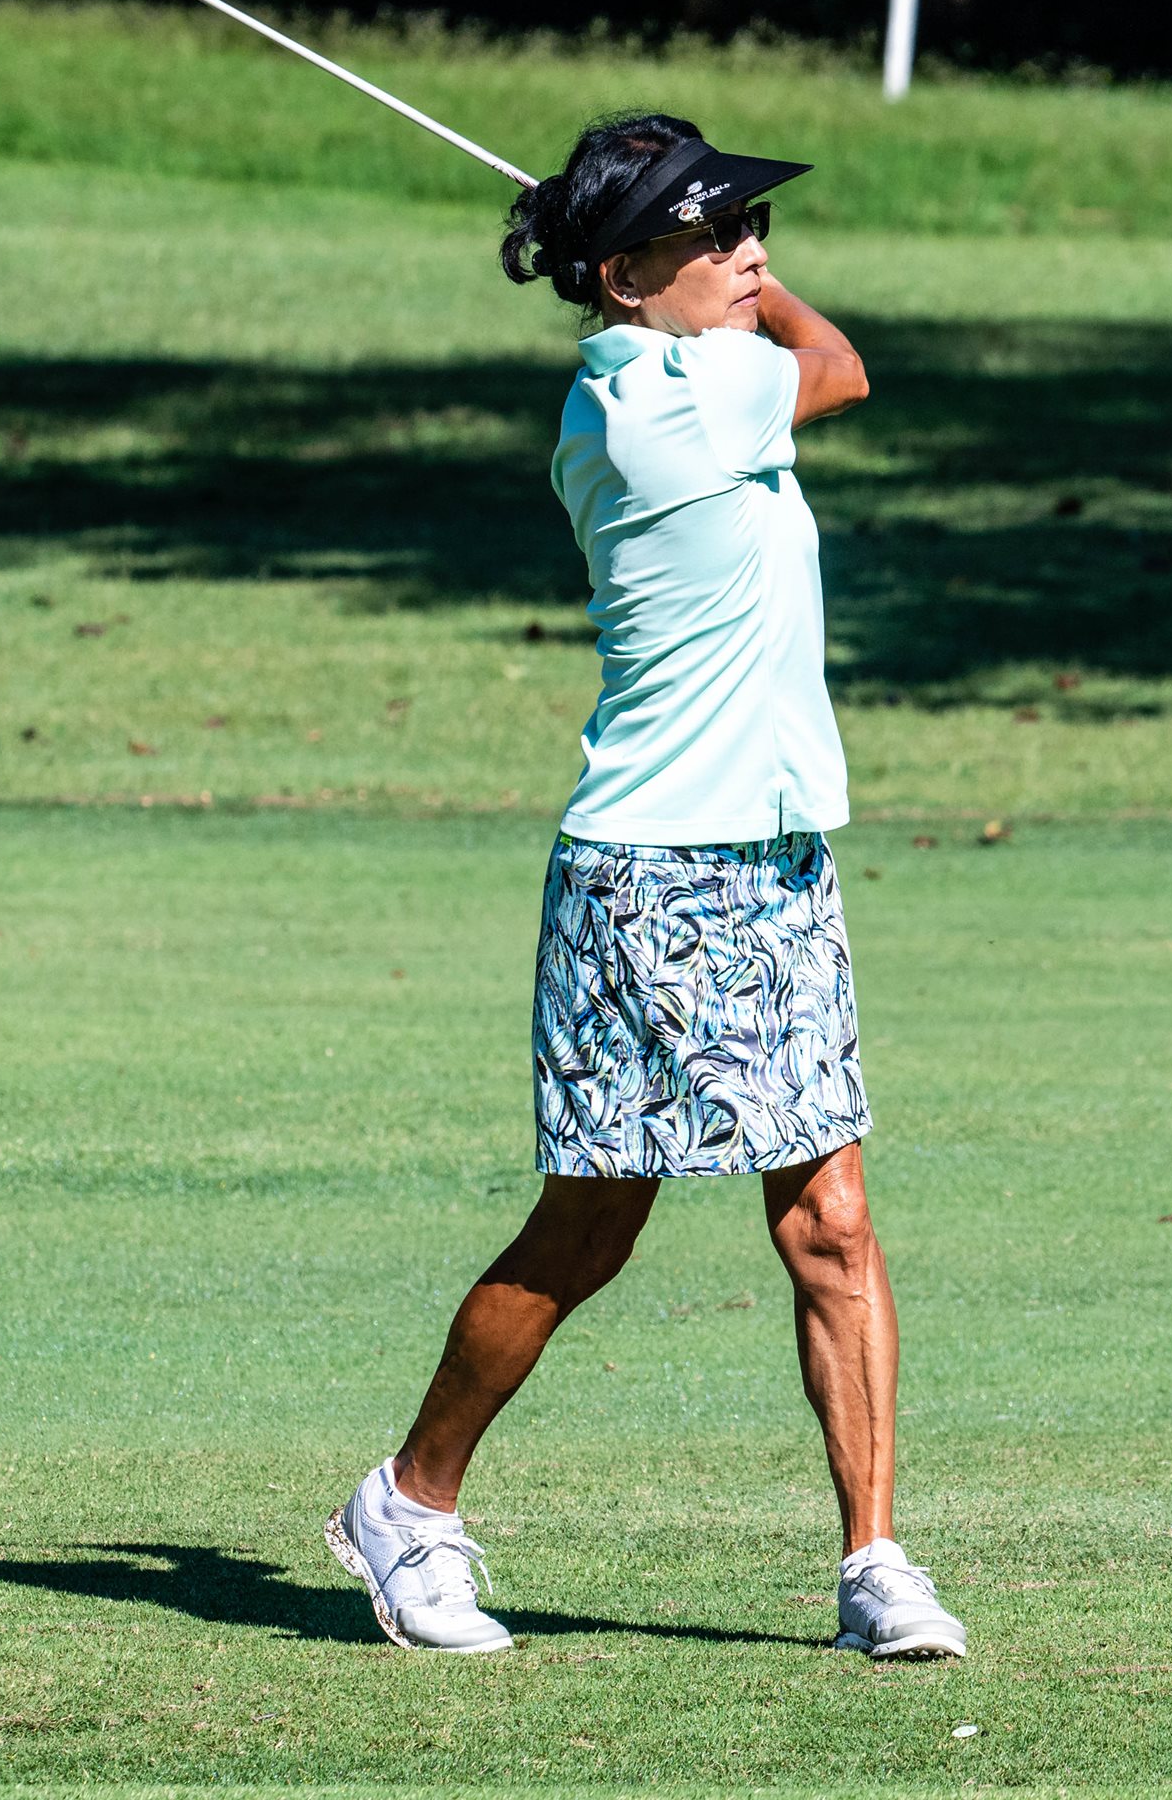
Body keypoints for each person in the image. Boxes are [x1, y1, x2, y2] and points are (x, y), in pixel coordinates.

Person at [325, 113, 966, 1662]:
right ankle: (406, 1503)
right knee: (591, 1229)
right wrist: (752, 291)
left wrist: (693, 256)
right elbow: (842, 367)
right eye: (712, 233)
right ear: (619, 278)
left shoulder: (684, 364)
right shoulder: (657, 404)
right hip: (647, 880)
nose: (748, 253)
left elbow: (798, 354)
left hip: (775, 860)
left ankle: (875, 1563)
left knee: (830, 1220)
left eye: (754, 225)